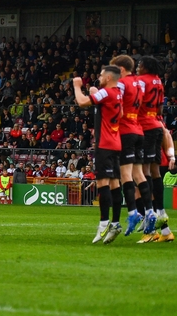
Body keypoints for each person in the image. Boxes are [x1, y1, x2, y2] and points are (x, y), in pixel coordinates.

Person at [73, 67, 124, 244]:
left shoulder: (107, 92)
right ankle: (116, 223)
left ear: (109, 77)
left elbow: (81, 102)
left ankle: (103, 223)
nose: (99, 77)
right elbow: (121, 113)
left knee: (103, 183)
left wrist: (77, 86)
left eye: (101, 75)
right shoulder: (118, 92)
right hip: (116, 142)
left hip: (104, 144)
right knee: (115, 184)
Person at [109, 55, 152, 236]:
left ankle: (133, 213)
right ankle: (149, 212)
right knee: (139, 174)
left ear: (121, 68)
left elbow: (116, 106)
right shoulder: (139, 83)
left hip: (125, 130)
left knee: (125, 175)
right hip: (139, 130)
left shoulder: (122, 83)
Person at [136, 56, 166, 238]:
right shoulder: (159, 82)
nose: (138, 68)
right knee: (155, 173)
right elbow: (161, 110)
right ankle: (160, 211)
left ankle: (149, 216)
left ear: (146, 66)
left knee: (142, 172)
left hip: (144, 127)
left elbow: (135, 103)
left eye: (140, 65)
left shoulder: (141, 81)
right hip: (156, 126)